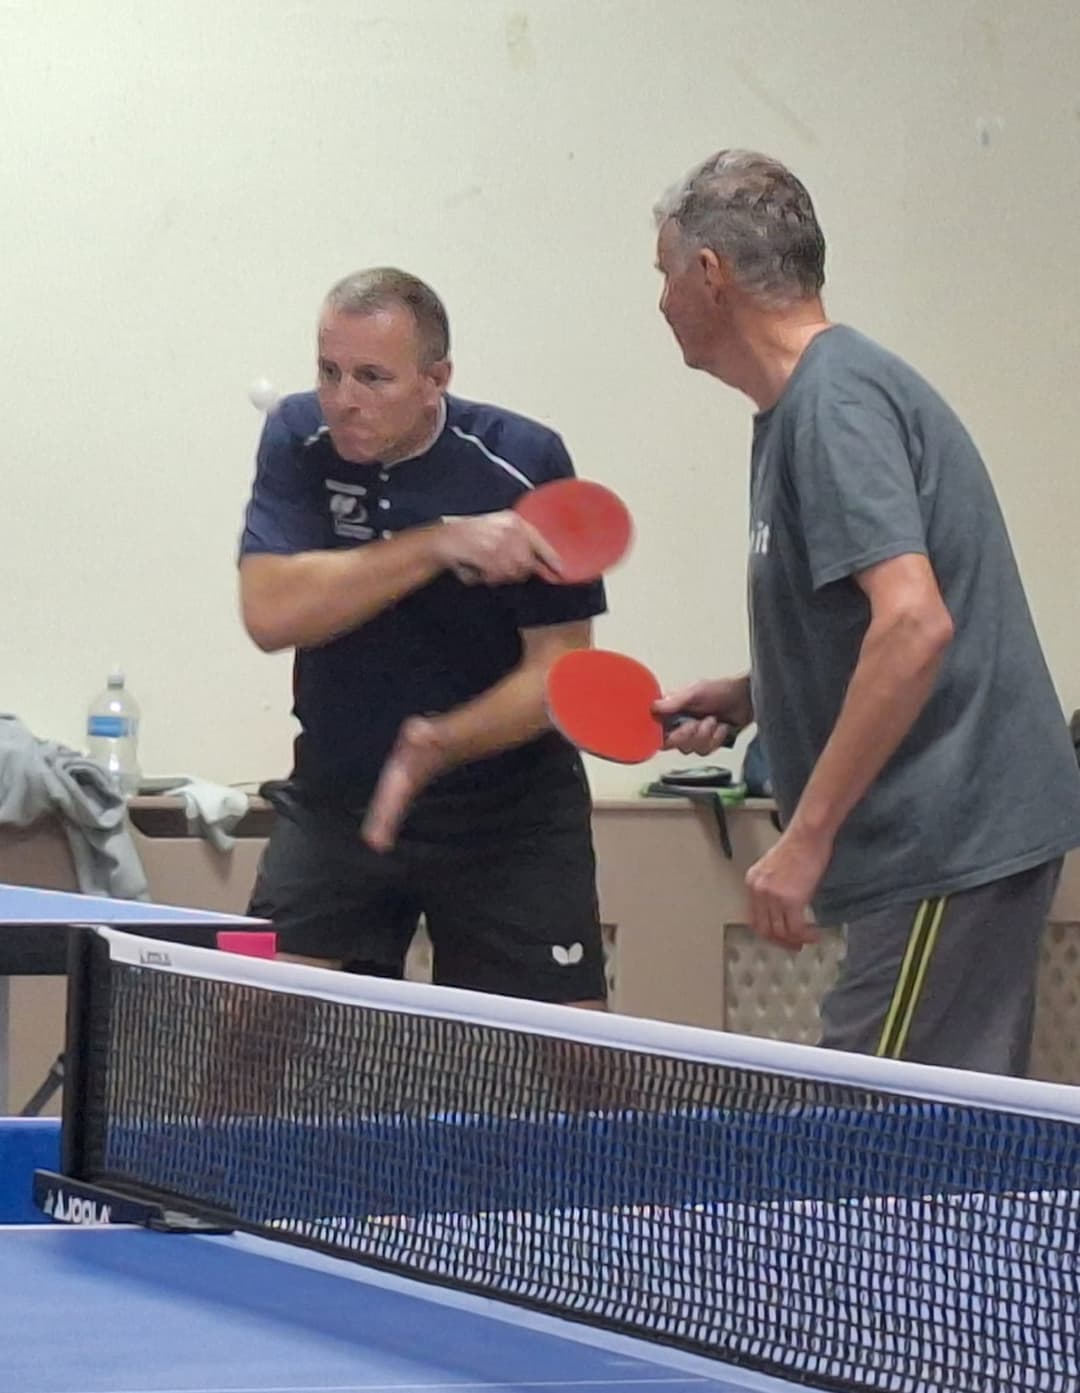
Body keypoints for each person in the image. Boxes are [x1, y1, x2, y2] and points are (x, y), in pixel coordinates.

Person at [651, 148, 1080, 1074]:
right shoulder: (815, 401)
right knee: (938, 1131)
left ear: (710, 273)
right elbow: (879, 615)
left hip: (947, 834)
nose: (661, 302)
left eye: (664, 273)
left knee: (872, 1129)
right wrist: (755, 692)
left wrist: (805, 839)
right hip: (944, 836)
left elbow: (915, 624)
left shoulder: (833, 403)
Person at [237, 267, 607, 1007]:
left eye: (373, 377)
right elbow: (270, 613)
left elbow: (559, 670)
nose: (344, 399)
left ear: (436, 379)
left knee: (574, 1054)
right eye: (330, 371)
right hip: (341, 796)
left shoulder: (524, 459)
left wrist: (440, 743)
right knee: (251, 1020)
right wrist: (438, 543)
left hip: (509, 811)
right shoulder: (298, 438)